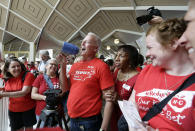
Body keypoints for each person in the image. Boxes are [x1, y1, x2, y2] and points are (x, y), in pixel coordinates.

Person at [125, 18, 195, 130]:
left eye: (150, 48)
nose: (147, 54)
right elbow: (132, 104)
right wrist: (135, 127)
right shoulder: (148, 70)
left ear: (173, 43)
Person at [60, 32, 115, 131]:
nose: (82, 44)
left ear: (96, 49)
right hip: (73, 119)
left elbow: (109, 99)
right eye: (82, 42)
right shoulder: (76, 65)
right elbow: (64, 88)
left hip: (90, 122)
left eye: (87, 42)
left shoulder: (102, 66)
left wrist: (104, 127)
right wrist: (62, 66)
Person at [110, 45, 144, 131]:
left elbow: (137, 106)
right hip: (112, 112)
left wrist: (119, 100)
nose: (117, 58)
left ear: (130, 60)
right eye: (116, 55)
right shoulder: (116, 71)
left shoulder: (138, 78)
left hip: (125, 119)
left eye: (121, 56)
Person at [0, 58, 36, 131]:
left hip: (28, 109)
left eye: (18, 66)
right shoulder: (6, 78)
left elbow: (24, 92)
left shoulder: (28, 75)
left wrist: (3, 94)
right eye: (13, 67)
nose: (17, 68)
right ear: (7, 69)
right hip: (13, 110)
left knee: (28, 129)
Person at [31, 58, 63, 127]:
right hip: (42, 112)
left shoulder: (60, 78)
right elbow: (33, 95)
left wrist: (57, 96)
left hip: (57, 112)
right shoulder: (40, 78)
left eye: (55, 65)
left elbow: (63, 92)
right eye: (51, 64)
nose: (54, 66)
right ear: (46, 66)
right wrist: (45, 97)